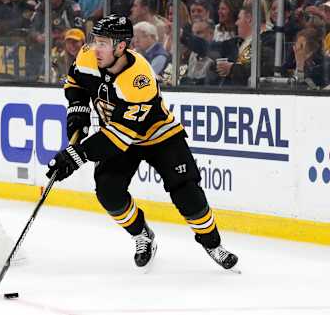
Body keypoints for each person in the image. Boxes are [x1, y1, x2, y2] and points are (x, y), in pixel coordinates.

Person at [46, 14, 239, 271]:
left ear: (121, 46)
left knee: (187, 193)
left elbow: (119, 138)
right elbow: (75, 83)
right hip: (117, 133)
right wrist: (78, 111)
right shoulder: (87, 55)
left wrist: (77, 154)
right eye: (96, 40)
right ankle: (142, 235)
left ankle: (213, 244)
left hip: (159, 136)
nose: (96, 48)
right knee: (108, 193)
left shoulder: (139, 79)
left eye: (103, 43)